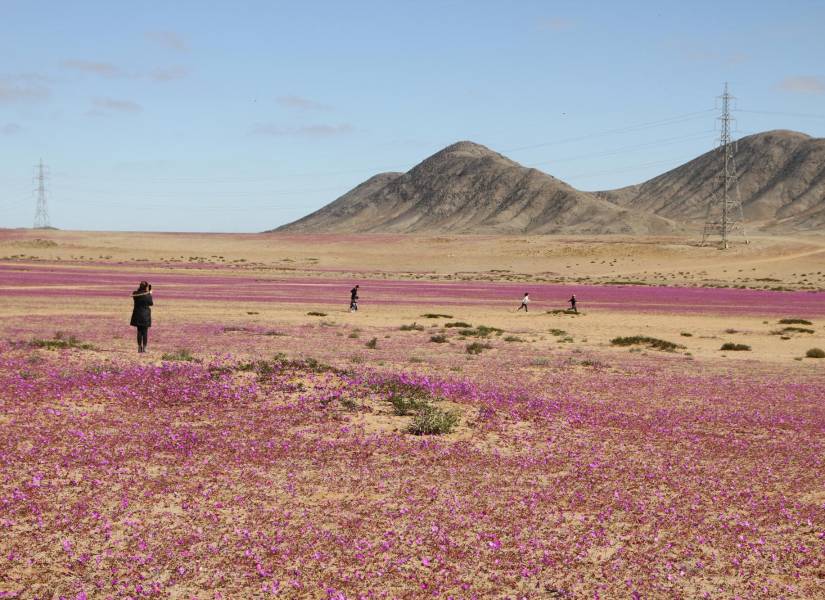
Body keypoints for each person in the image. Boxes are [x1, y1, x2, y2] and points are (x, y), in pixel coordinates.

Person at [130, 281, 153, 353]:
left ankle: (139, 347)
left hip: (137, 314)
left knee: (139, 331)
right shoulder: (147, 295)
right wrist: (149, 294)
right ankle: (145, 348)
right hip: (145, 315)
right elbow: (151, 303)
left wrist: (148, 293)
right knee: (145, 332)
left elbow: (136, 296)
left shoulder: (135, 293)